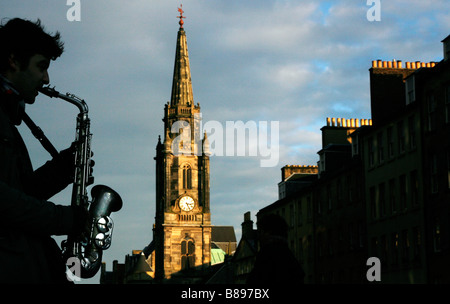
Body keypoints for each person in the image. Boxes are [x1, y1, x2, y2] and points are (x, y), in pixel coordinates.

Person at [0, 18, 87, 283]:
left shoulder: (8, 116)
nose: (46, 78)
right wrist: (64, 219)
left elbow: (18, 191)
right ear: (14, 61)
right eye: (42, 66)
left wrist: (60, 171)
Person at [246, 214, 305, 285]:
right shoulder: (290, 258)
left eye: (260, 232)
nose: (258, 237)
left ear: (269, 232)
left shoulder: (266, 256)